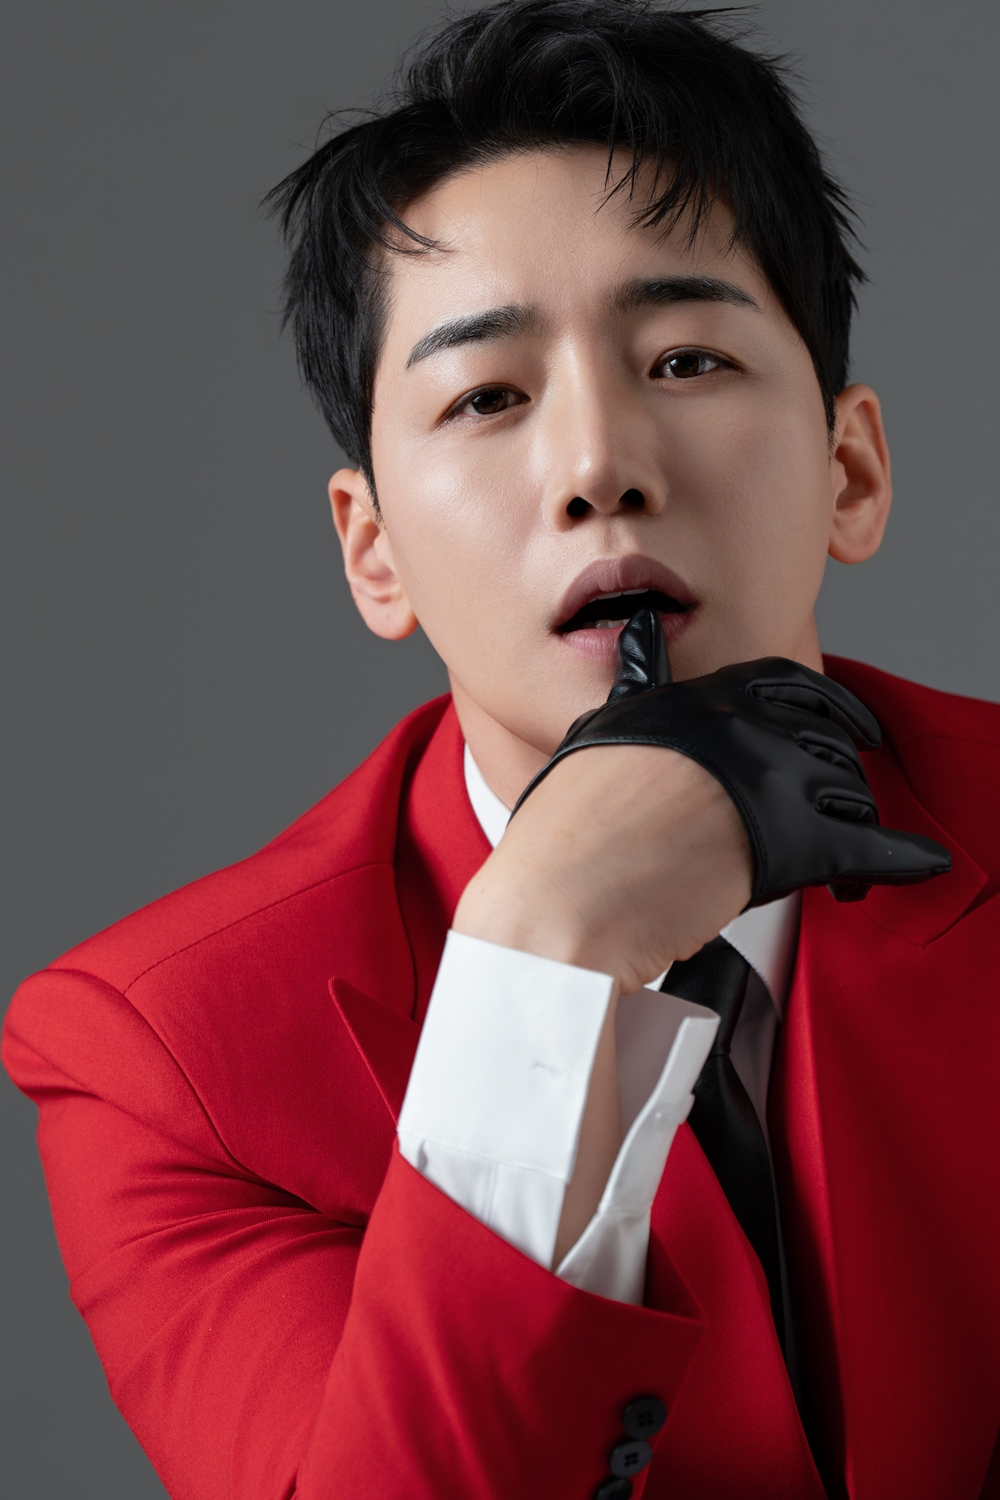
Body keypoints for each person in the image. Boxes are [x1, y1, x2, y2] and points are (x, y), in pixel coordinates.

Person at [4, 3, 1000, 1497]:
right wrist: (548, 944)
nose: (600, 465)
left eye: (686, 361)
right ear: (374, 550)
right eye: (486, 396)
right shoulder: (171, 1060)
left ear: (851, 469)